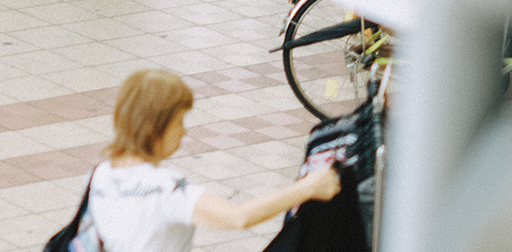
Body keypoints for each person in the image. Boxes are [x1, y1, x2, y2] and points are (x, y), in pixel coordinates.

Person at [84, 70, 340, 249]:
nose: (184, 131)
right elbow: (237, 217)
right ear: (156, 126)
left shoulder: (100, 175)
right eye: (179, 121)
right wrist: (308, 187)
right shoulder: (167, 188)